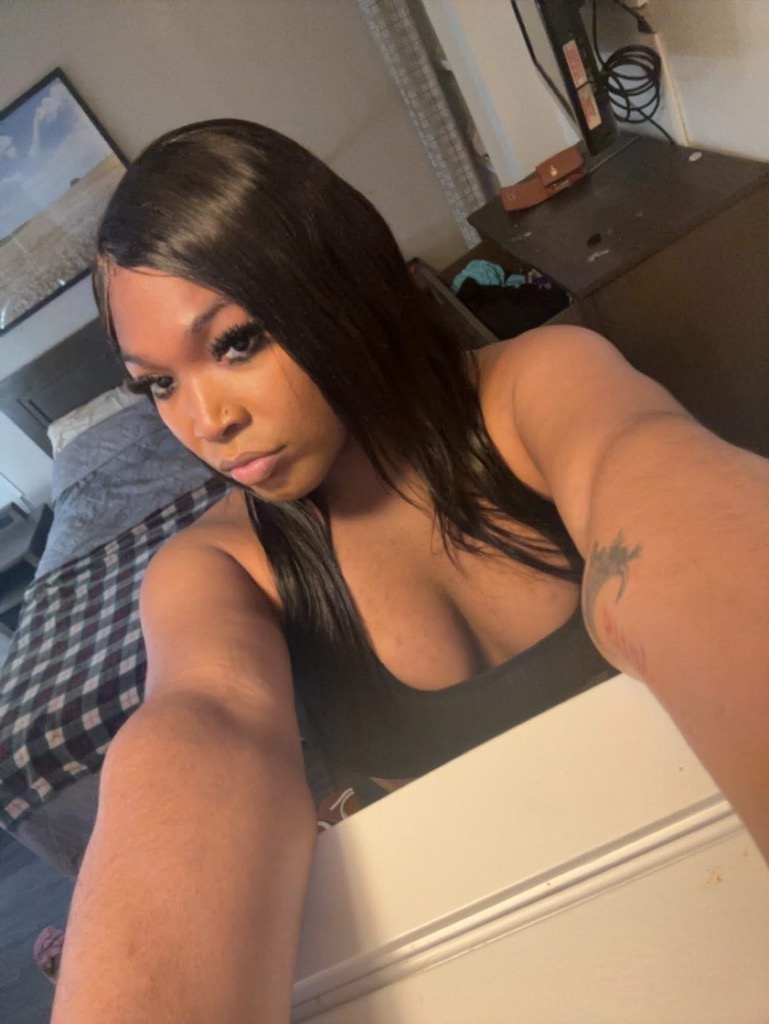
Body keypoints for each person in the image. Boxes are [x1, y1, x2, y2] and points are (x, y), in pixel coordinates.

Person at [52, 119, 769, 1023]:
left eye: (235, 342)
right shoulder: (215, 568)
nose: (206, 421)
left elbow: (667, 496)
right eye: (158, 383)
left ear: (336, 284)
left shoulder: (541, 384)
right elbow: (201, 728)